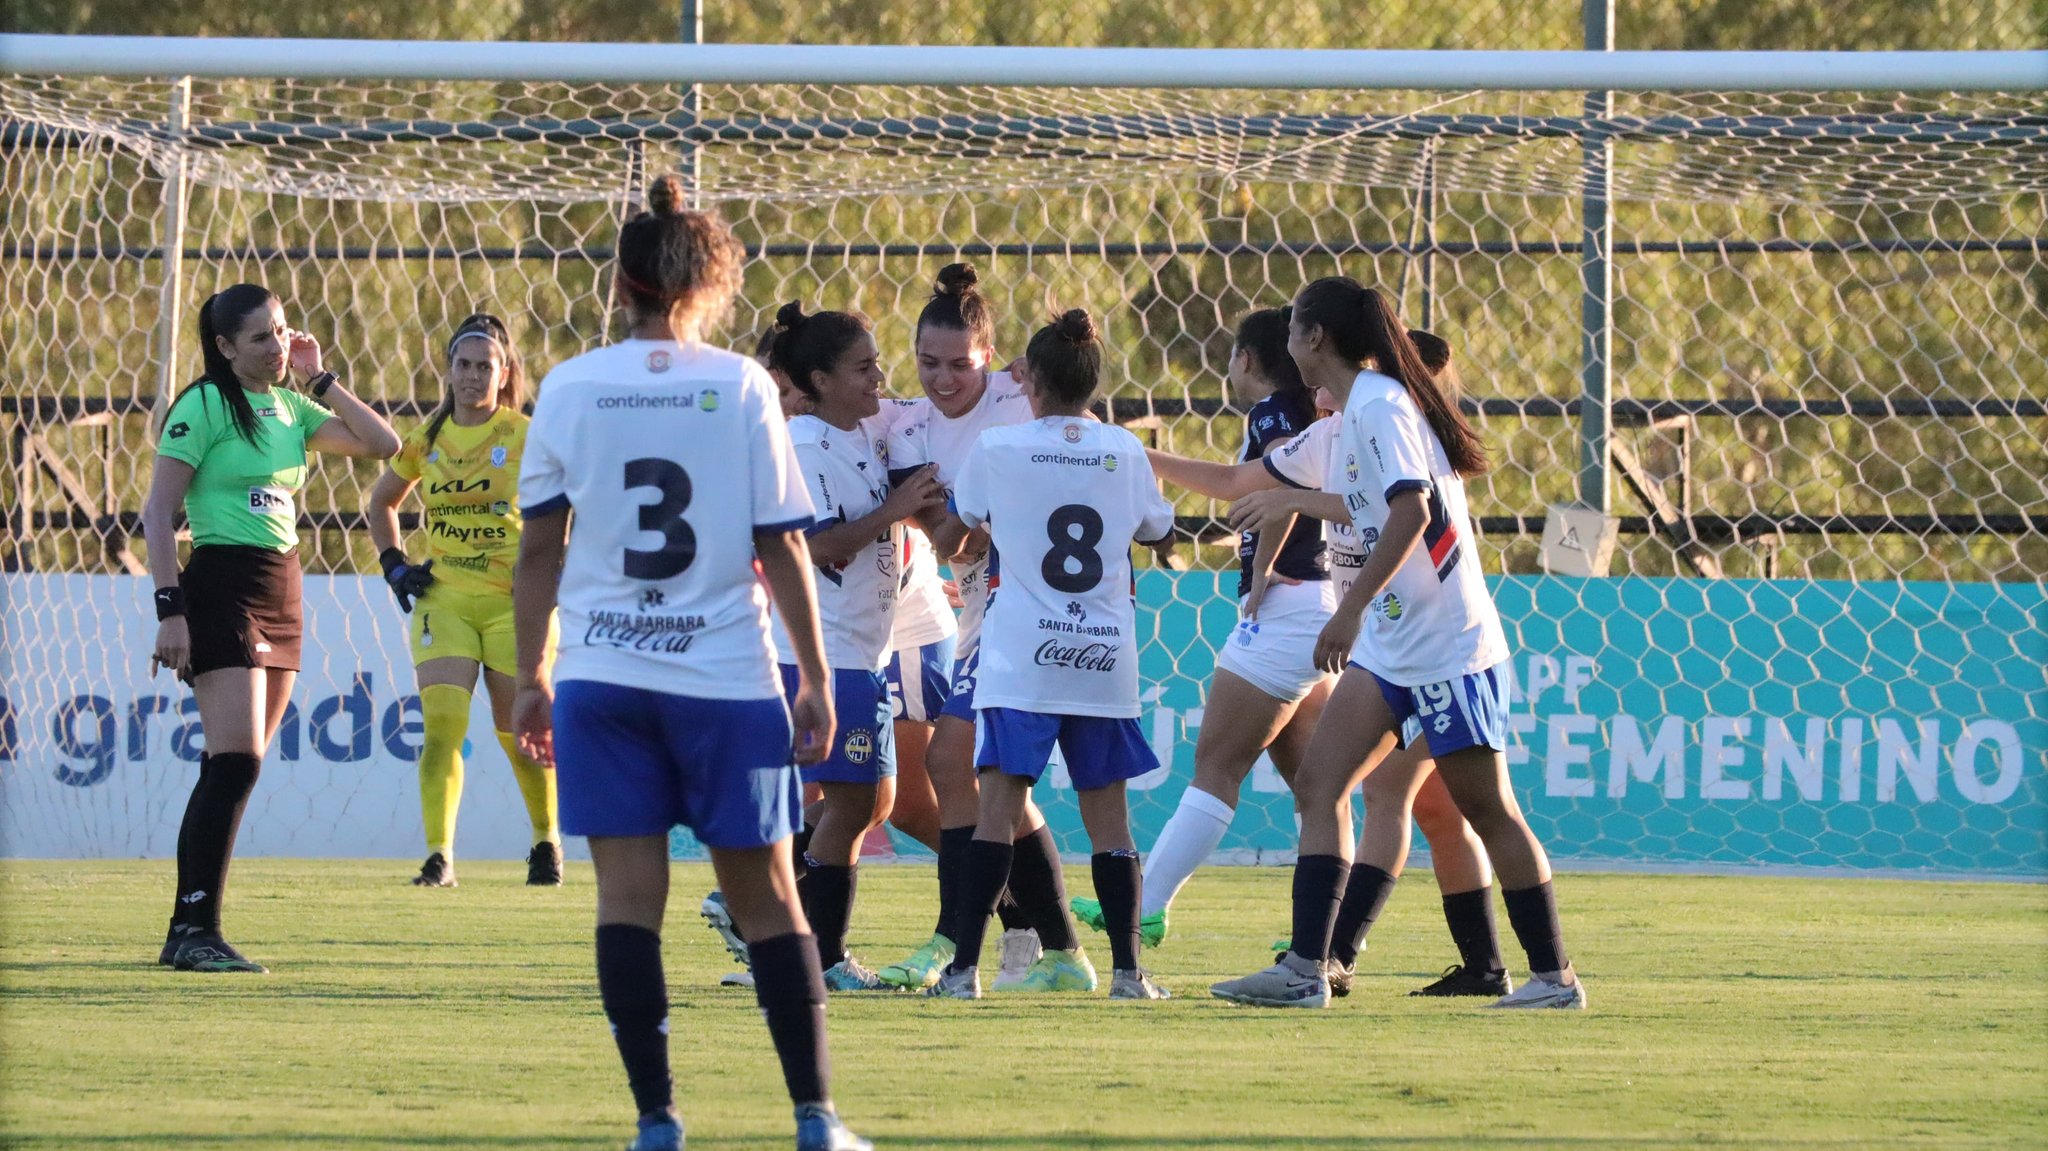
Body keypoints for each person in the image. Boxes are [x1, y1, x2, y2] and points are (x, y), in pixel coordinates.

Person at [509, 175, 871, 1151]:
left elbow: (538, 552)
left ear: (619, 282)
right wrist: (816, 677)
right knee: (769, 899)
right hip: (723, 679)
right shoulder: (742, 384)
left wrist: (532, 675)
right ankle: (816, 1119)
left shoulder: (570, 385)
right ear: (711, 284)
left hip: (603, 678)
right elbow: (782, 542)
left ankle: (657, 1121)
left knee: (627, 901)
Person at [1209, 278, 1584, 1011]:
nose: (1286, 342)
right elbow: (1370, 503)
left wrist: (1347, 612)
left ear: (1315, 338)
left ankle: (1554, 979)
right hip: (1392, 645)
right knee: (1320, 785)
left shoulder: (1379, 405)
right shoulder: (1360, 408)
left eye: (1293, 328)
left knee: (1488, 810)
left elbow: (1412, 509)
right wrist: (1294, 500)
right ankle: (1306, 969)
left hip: (1445, 645)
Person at [144, 283, 399, 972]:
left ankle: (185, 928)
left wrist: (321, 378)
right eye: (260, 337)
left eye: (282, 331)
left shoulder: (292, 406)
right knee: (236, 761)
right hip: (221, 585)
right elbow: (158, 513)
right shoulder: (204, 404)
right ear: (225, 347)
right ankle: (198, 930)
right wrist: (170, 610)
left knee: (234, 765)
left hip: (282, 589)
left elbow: (383, 443)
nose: (276, 346)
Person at [926, 308, 1177, 1001]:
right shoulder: (1125, 450)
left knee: (997, 813)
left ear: (1029, 380)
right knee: (1111, 823)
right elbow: (1160, 532)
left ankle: (962, 973)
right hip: (1101, 655)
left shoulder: (999, 447)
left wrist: (967, 528)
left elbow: (952, 538)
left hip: (1020, 658)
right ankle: (1128, 974)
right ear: (1093, 382)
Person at [1068, 306, 1330, 951]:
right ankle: (1327, 939)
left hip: (1287, 609)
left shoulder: (1273, 411)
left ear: (1246, 359)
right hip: (1321, 604)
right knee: (1316, 788)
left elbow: (1280, 481)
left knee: (1216, 765)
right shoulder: (1319, 411)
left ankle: (1147, 906)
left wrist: (1262, 569)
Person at [874, 263, 1067, 992]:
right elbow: (946, 534)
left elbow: (1077, 419)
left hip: (1031, 605)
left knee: (952, 763)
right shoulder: (908, 426)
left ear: (992, 356)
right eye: (928, 362)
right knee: (994, 784)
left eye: (960, 364)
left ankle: (950, 945)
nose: (943, 378)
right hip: (982, 607)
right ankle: (1061, 948)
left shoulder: (1021, 398)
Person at [766, 301, 946, 991]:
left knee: (869, 802)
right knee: (848, 805)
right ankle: (822, 958)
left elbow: (930, 407)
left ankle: (786, 937)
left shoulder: (858, 430)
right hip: (828, 652)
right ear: (820, 380)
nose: (879, 377)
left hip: (862, 656)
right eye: (863, 368)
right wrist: (895, 510)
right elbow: (817, 546)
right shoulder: (806, 444)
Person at [367, 312, 562, 889]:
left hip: (514, 604)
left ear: (505, 375)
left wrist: (555, 565)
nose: (473, 376)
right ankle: (439, 857)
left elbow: (570, 502)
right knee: (442, 727)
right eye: (464, 365)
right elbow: (381, 503)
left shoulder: (525, 436)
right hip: (445, 599)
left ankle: (546, 842)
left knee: (518, 731)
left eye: (485, 366)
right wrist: (394, 563)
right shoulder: (425, 441)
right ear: (449, 371)